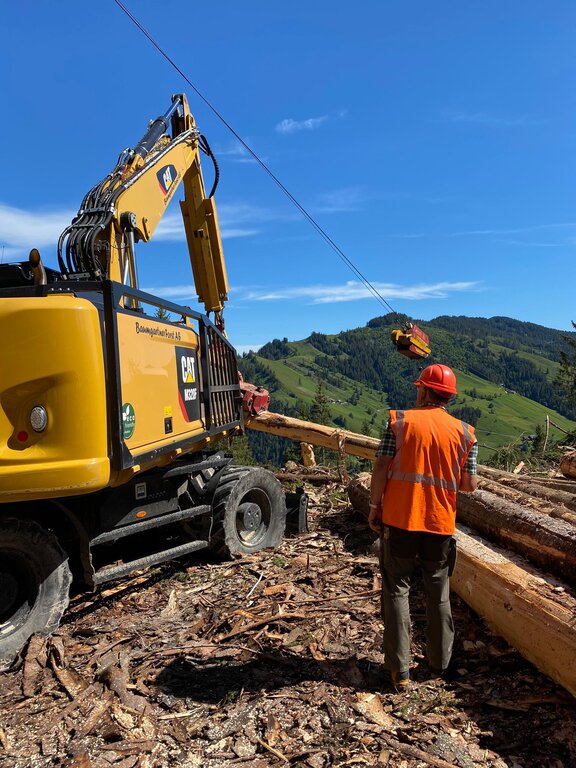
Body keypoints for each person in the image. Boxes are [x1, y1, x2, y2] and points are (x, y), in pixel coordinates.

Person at [368, 363, 478, 691]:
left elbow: (382, 465)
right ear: (449, 396)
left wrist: (375, 506)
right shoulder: (465, 433)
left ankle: (399, 671)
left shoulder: (400, 421)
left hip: (400, 520)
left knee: (396, 590)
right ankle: (439, 664)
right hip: (440, 525)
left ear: (424, 390)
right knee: (438, 593)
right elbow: (469, 485)